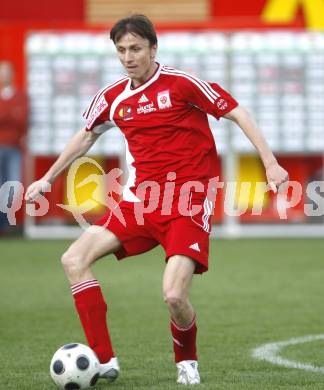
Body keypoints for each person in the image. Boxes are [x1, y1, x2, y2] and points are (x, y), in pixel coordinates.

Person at [25, 15, 289, 385]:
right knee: (73, 259)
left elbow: (237, 112)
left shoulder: (181, 84)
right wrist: (47, 177)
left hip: (188, 204)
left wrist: (270, 162)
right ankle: (103, 361)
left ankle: (186, 360)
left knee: (173, 296)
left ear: (153, 48)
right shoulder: (113, 97)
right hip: (140, 203)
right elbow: (85, 137)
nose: (128, 57)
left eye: (135, 48)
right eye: (121, 50)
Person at [0, 61, 28, 233]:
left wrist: (5, 115)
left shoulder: (20, 96)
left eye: (6, 72)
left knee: (13, 185)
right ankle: (2, 223)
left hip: (14, 148)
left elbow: (22, 119)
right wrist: (11, 114)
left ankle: (4, 221)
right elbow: (14, 117)